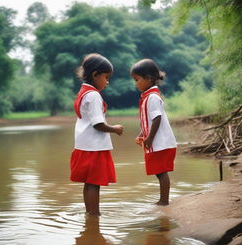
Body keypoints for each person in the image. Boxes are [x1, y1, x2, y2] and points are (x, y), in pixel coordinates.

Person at [70, 53, 123, 216]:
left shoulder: (83, 92)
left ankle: (90, 215)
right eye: (106, 77)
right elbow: (98, 124)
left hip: (84, 144)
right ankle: (94, 215)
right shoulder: (93, 95)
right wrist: (114, 128)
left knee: (89, 183)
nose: (107, 82)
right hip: (94, 146)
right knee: (94, 183)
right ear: (95, 75)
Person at [131, 59, 177, 205]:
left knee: (161, 171)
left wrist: (149, 138)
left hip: (160, 142)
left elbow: (157, 119)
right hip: (158, 142)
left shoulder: (152, 97)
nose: (135, 83)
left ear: (149, 78)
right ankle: (163, 199)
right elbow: (149, 121)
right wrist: (142, 134)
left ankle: (164, 201)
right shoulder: (148, 96)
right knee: (159, 171)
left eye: (137, 80)